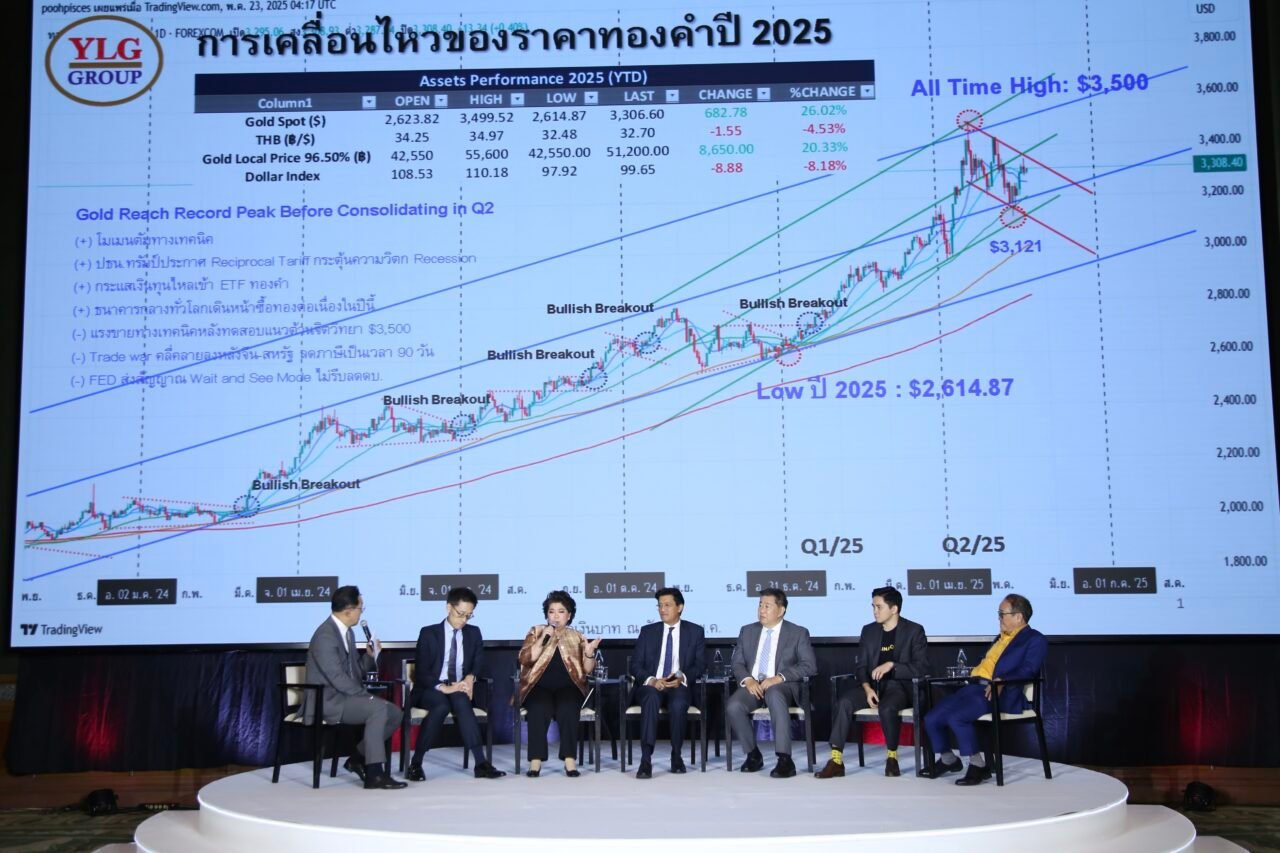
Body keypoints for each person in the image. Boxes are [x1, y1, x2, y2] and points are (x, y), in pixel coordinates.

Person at [920, 594, 1047, 785]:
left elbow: (1028, 669)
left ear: (1018, 617)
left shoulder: (1035, 639)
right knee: (932, 718)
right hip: (974, 687)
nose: (999, 618)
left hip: (999, 692)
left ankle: (978, 765)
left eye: (1002, 614)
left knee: (957, 717)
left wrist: (1002, 680)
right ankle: (949, 760)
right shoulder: (1000, 638)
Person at [818, 586, 929, 778]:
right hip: (871, 686)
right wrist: (867, 688)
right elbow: (861, 666)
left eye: (879, 607)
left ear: (894, 609)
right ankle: (836, 761)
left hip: (898, 686)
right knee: (844, 703)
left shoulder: (914, 631)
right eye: (873, 607)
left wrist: (892, 665)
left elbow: (921, 667)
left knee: (887, 707)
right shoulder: (869, 631)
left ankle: (892, 758)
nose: (875, 611)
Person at [303, 585, 406, 789]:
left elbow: (354, 672)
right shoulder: (325, 636)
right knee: (378, 708)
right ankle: (375, 774)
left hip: (345, 696)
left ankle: (357, 759)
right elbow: (336, 677)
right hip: (328, 700)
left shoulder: (347, 633)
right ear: (349, 611)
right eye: (360, 608)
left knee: (395, 713)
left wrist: (368, 656)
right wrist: (364, 696)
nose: (361, 613)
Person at [405, 587, 505, 781]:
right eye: (460, 614)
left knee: (461, 700)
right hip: (431, 689)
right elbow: (422, 672)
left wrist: (470, 677)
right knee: (441, 706)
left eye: (469, 615)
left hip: (458, 687)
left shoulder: (473, 633)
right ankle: (416, 763)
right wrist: (444, 687)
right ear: (448, 608)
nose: (464, 620)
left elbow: (479, 662)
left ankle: (481, 763)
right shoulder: (429, 633)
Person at [726, 588, 817, 778]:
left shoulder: (798, 632)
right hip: (754, 685)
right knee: (734, 706)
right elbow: (737, 663)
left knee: (775, 694)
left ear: (781, 610)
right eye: (760, 605)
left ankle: (785, 759)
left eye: (767, 606)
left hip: (782, 686)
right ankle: (753, 754)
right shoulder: (747, 631)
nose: (761, 610)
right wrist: (748, 679)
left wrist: (779, 677)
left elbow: (809, 666)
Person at [515, 590, 601, 777]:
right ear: (546, 614)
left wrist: (589, 653)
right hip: (538, 686)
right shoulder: (536, 631)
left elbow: (587, 670)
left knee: (568, 707)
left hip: (569, 687)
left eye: (561, 612)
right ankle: (535, 761)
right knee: (538, 708)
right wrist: (542, 639)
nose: (555, 616)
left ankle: (569, 760)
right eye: (551, 611)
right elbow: (525, 659)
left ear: (569, 615)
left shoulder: (576, 636)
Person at [629, 587, 706, 779]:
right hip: (651, 685)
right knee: (651, 698)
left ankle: (676, 755)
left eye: (667, 605)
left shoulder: (695, 631)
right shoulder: (648, 632)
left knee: (679, 703)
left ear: (680, 607)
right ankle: (646, 760)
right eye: (660, 606)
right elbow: (635, 665)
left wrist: (682, 678)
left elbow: (700, 665)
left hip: (678, 685)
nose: (662, 609)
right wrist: (652, 680)